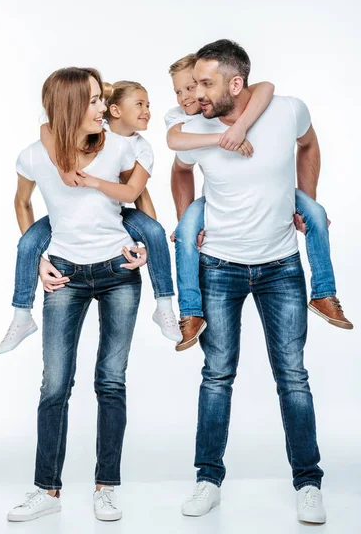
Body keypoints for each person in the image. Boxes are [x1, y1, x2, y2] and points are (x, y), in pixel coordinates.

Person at [171, 40, 328, 524]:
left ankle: (308, 482)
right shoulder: (193, 125)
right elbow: (180, 170)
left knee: (293, 377)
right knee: (216, 376)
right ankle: (207, 480)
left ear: (234, 84)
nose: (196, 92)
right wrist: (186, 222)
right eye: (192, 83)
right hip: (218, 266)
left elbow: (309, 144)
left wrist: (307, 200)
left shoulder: (285, 110)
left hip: (281, 266)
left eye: (205, 83)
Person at [7, 67, 146, 522]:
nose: (102, 107)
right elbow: (22, 203)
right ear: (68, 107)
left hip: (118, 271)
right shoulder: (34, 155)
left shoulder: (119, 145)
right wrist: (38, 259)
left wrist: (145, 244)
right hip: (64, 275)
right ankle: (47, 491)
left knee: (110, 380)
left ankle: (106, 487)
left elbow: (139, 197)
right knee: (54, 385)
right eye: (91, 100)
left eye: (100, 99)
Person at [166, 54, 352, 341]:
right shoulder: (185, 121)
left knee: (315, 212)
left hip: (280, 245)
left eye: (195, 86)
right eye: (179, 90)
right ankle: (189, 311)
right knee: (184, 233)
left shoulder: (282, 109)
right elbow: (175, 148)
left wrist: (239, 127)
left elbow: (266, 86)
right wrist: (223, 137)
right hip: (217, 240)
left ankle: (324, 293)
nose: (189, 96)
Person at [0, 81, 182, 355]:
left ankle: (165, 304)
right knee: (27, 246)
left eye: (148, 105)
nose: (147, 111)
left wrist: (145, 246)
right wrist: (62, 166)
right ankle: (21, 314)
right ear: (115, 110)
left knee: (155, 233)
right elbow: (48, 127)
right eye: (140, 104)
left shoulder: (133, 148)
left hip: (117, 214)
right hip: (66, 223)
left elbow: (137, 193)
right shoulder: (95, 128)